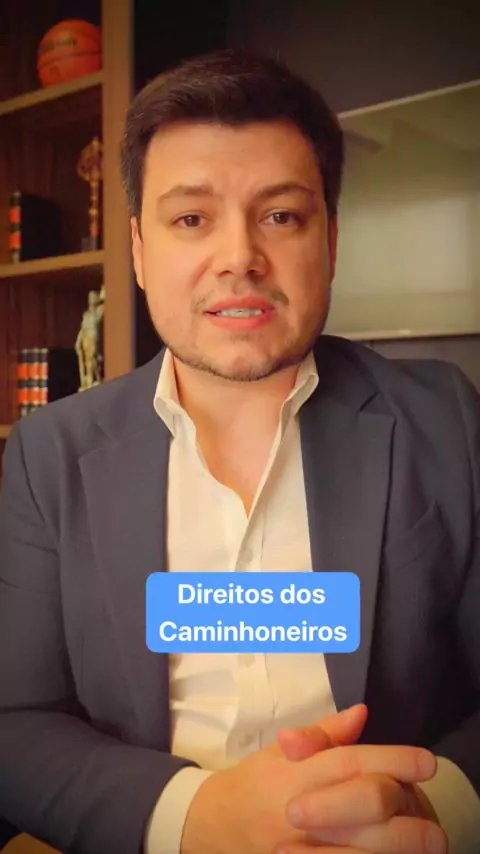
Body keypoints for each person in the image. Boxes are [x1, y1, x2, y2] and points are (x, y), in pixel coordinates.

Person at [0, 48, 479, 854]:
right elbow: (16, 720)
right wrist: (193, 817)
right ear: (139, 250)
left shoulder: (447, 420)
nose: (238, 258)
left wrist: (434, 807)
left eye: (281, 216)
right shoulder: (51, 454)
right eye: (191, 219)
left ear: (331, 239)